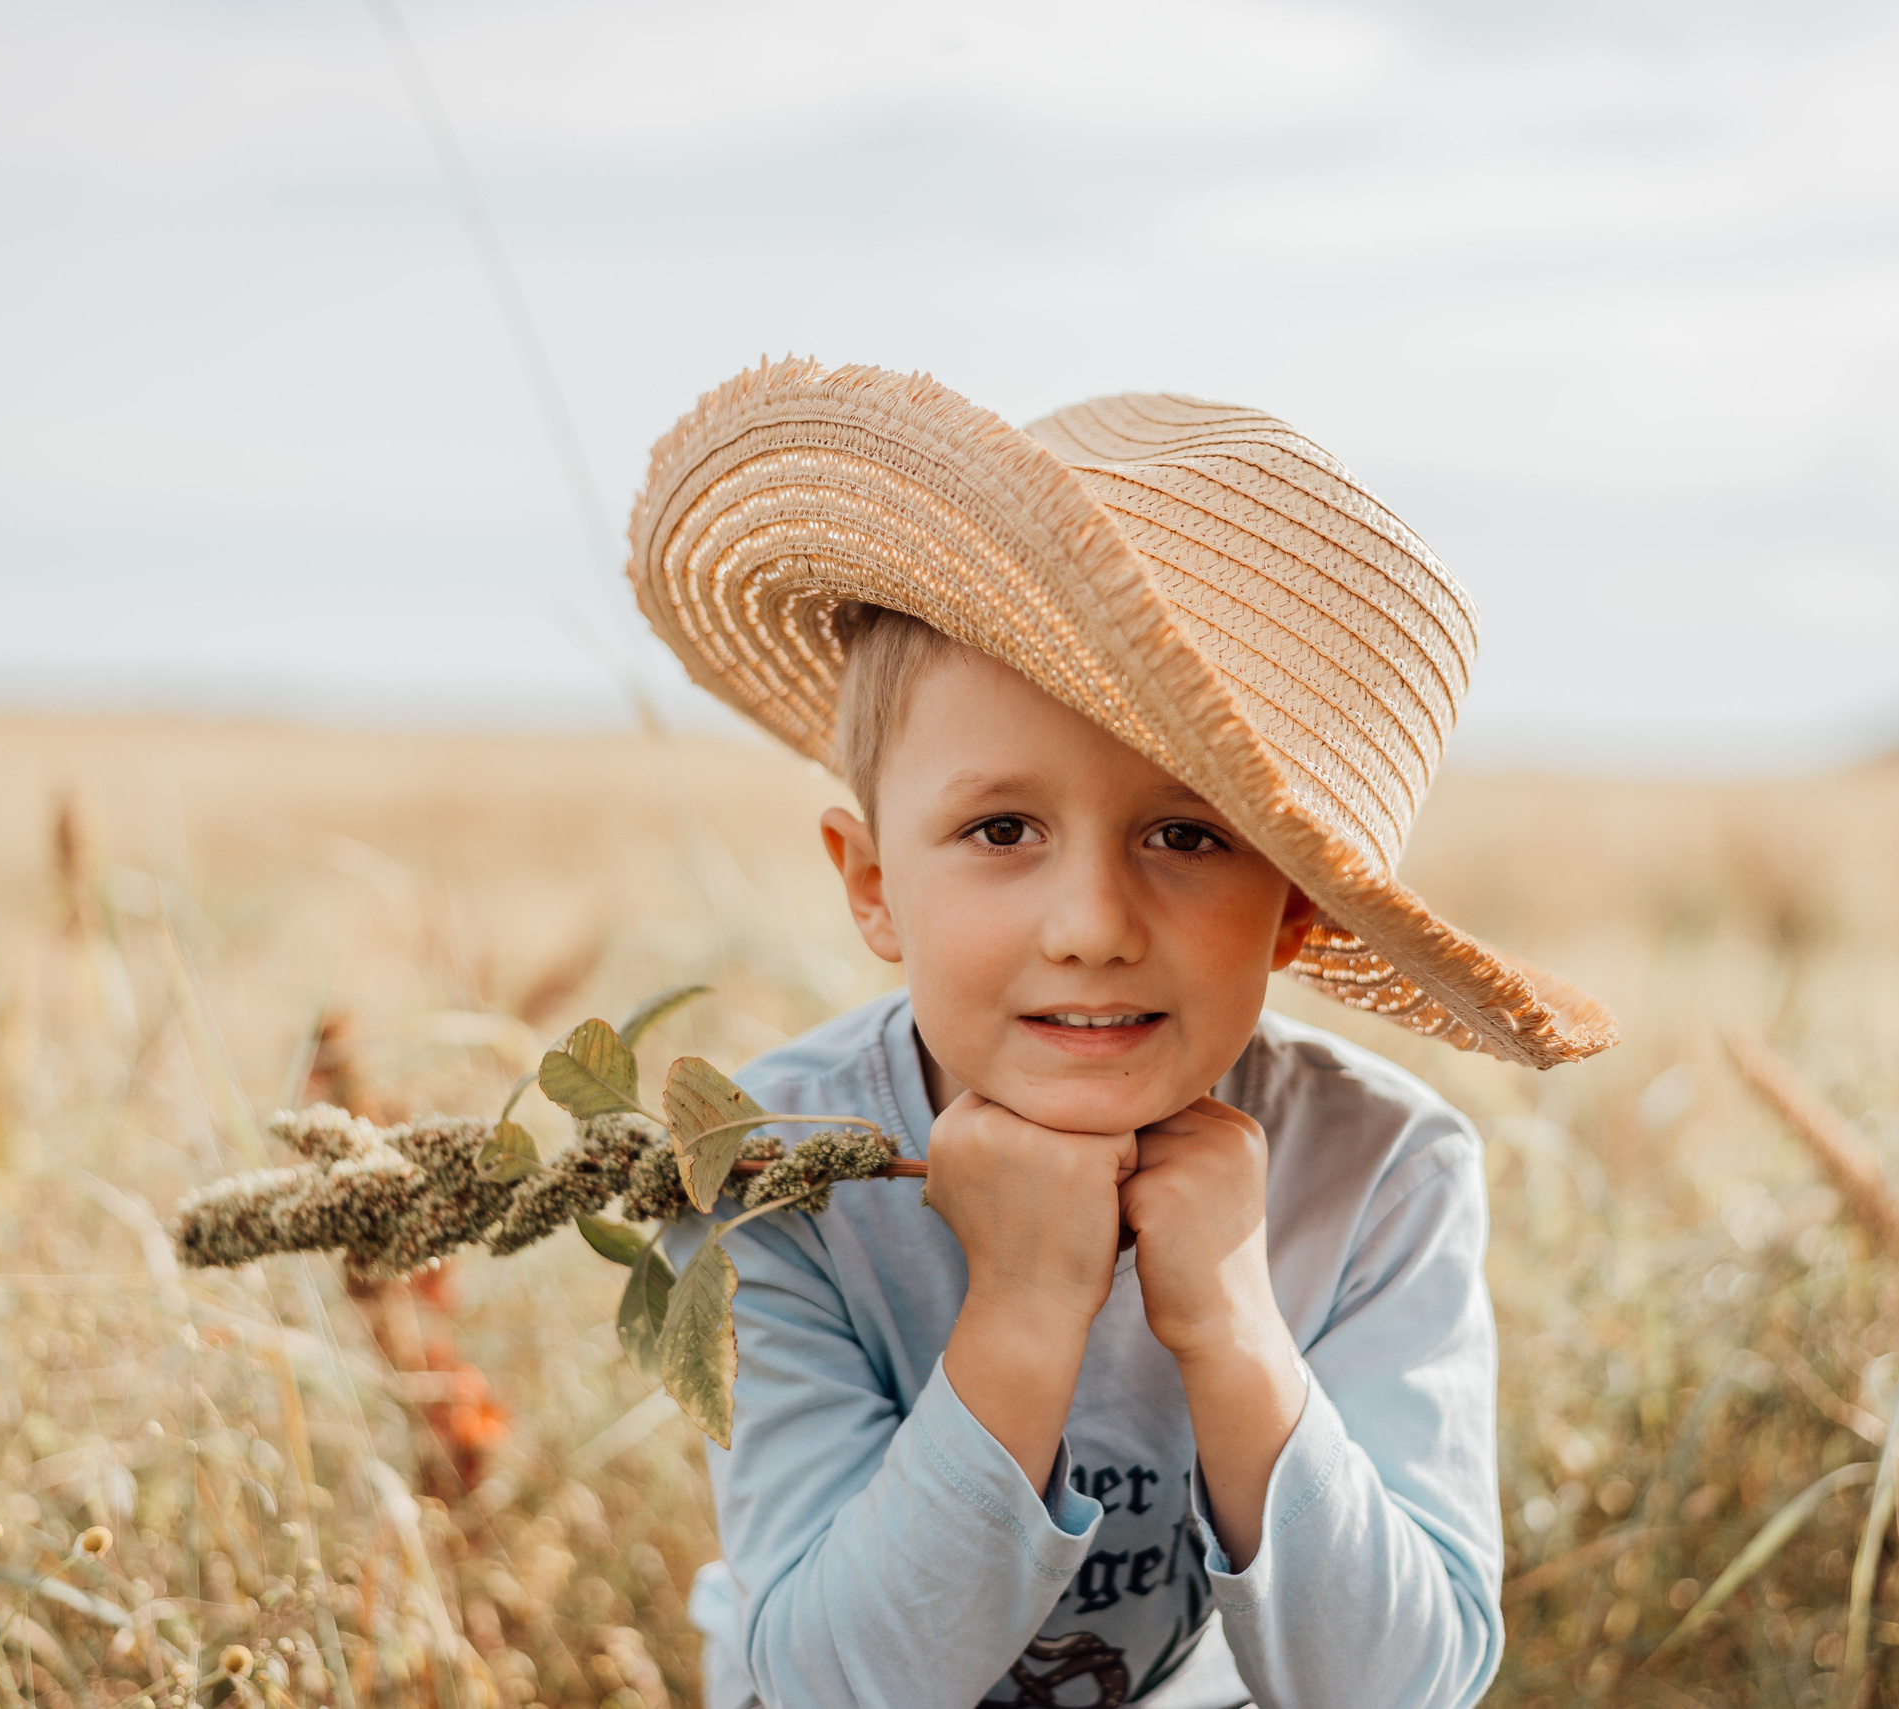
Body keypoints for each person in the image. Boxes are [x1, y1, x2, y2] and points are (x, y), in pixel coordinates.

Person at [633, 360, 1617, 1709]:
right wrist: (1025, 1308)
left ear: (1297, 913)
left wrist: (1233, 1319)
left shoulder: (1381, 1171)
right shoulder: (774, 1169)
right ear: (871, 881)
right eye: (1001, 829)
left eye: (1185, 833)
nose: (1091, 921)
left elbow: (1402, 1687)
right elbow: (826, 1684)